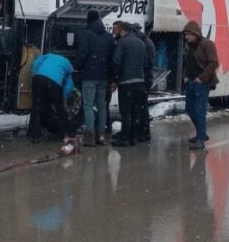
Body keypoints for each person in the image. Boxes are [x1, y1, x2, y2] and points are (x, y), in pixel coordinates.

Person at [74, 10, 114, 146]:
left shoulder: (86, 34)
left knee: (88, 106)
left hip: (89, 76)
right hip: (103, 77)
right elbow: (111, 57)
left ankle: (90, 136)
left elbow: (82, 53)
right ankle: (101, 135)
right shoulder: (108, 36)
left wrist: (76, 67)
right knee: (102, 105)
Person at [182, 20, 219, 150]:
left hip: (202, 83)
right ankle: (201, 133)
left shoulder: (207, 44)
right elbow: (187, 62)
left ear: (196, 34)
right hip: (191, 82)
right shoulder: (188, 45)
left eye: (188, 34)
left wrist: (201, 78)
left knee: (199, 110)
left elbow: (214, 63)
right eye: (186, 34)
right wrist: (186, 77)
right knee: (189, 109)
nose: (186, 37)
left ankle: (201, 140)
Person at [111, 21, 148, 147]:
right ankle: (134, 138)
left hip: (126, 82)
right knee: (136, 111)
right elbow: (146, 63)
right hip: (140, 82)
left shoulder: (122, 42)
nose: (114, 33)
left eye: (115, 30)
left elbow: (116, 61)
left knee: (126, 112)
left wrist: (115, 79)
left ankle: (125, 139)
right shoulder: (141, 43)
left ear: (122, 30)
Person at [28, 51, 76, 143]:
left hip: (38, 79)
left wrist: (33, 76)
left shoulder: (48, 55)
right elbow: (69, 85)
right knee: (59, 108)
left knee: (36, 107)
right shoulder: (69, 64)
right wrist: (62, 98)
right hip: (54, 82)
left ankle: (34, 135)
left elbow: (35, 63)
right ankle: (65, 132)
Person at [131, 23, 156, 143]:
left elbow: (147, 63)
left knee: (141, 106)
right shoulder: (147, 41)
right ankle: (145, 132)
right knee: (142, 106)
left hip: (144, 78)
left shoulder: (144, 43)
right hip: (147, 78)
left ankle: (143, 132)